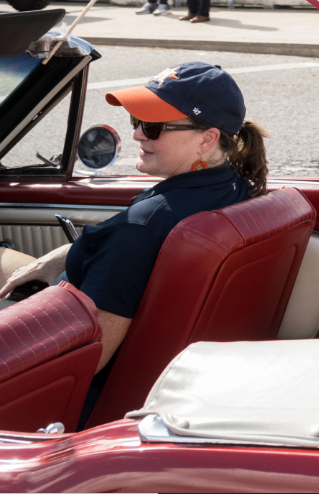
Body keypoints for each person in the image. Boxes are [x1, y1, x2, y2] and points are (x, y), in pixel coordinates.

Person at [0, 62, 265, 424]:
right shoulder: (228, 186)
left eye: (153, 127)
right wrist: (57, 258)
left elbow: (87, 357)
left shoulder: (139, 232)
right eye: (136, 122)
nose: (139, 135)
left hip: (71, 398)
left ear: (207, 139)